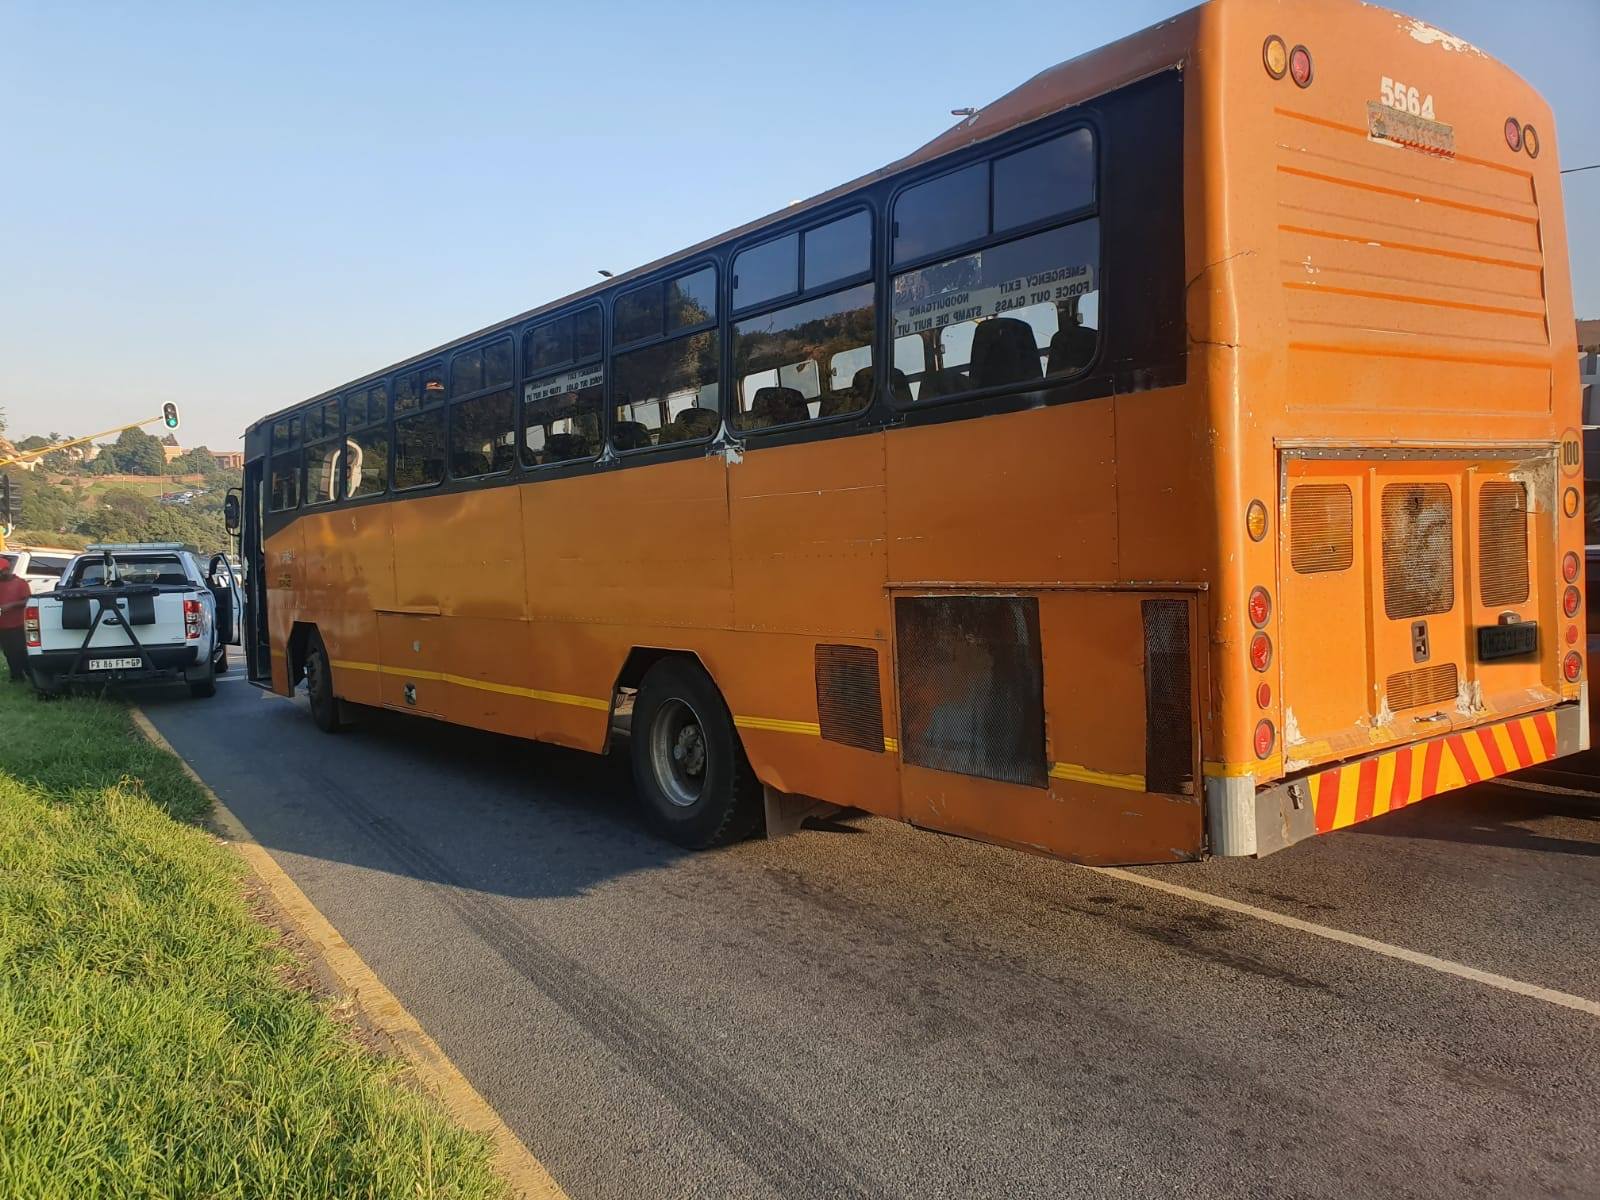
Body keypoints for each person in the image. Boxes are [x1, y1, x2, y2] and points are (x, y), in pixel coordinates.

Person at [0, 555, 32, 683]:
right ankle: (16, 676)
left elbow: (27, 600)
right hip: (3, 625)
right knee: (9, 652)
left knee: (20, 651)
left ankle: (31, 675)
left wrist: (11, 605)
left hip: (17, 624)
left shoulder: (20, 583)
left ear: (7, 570)